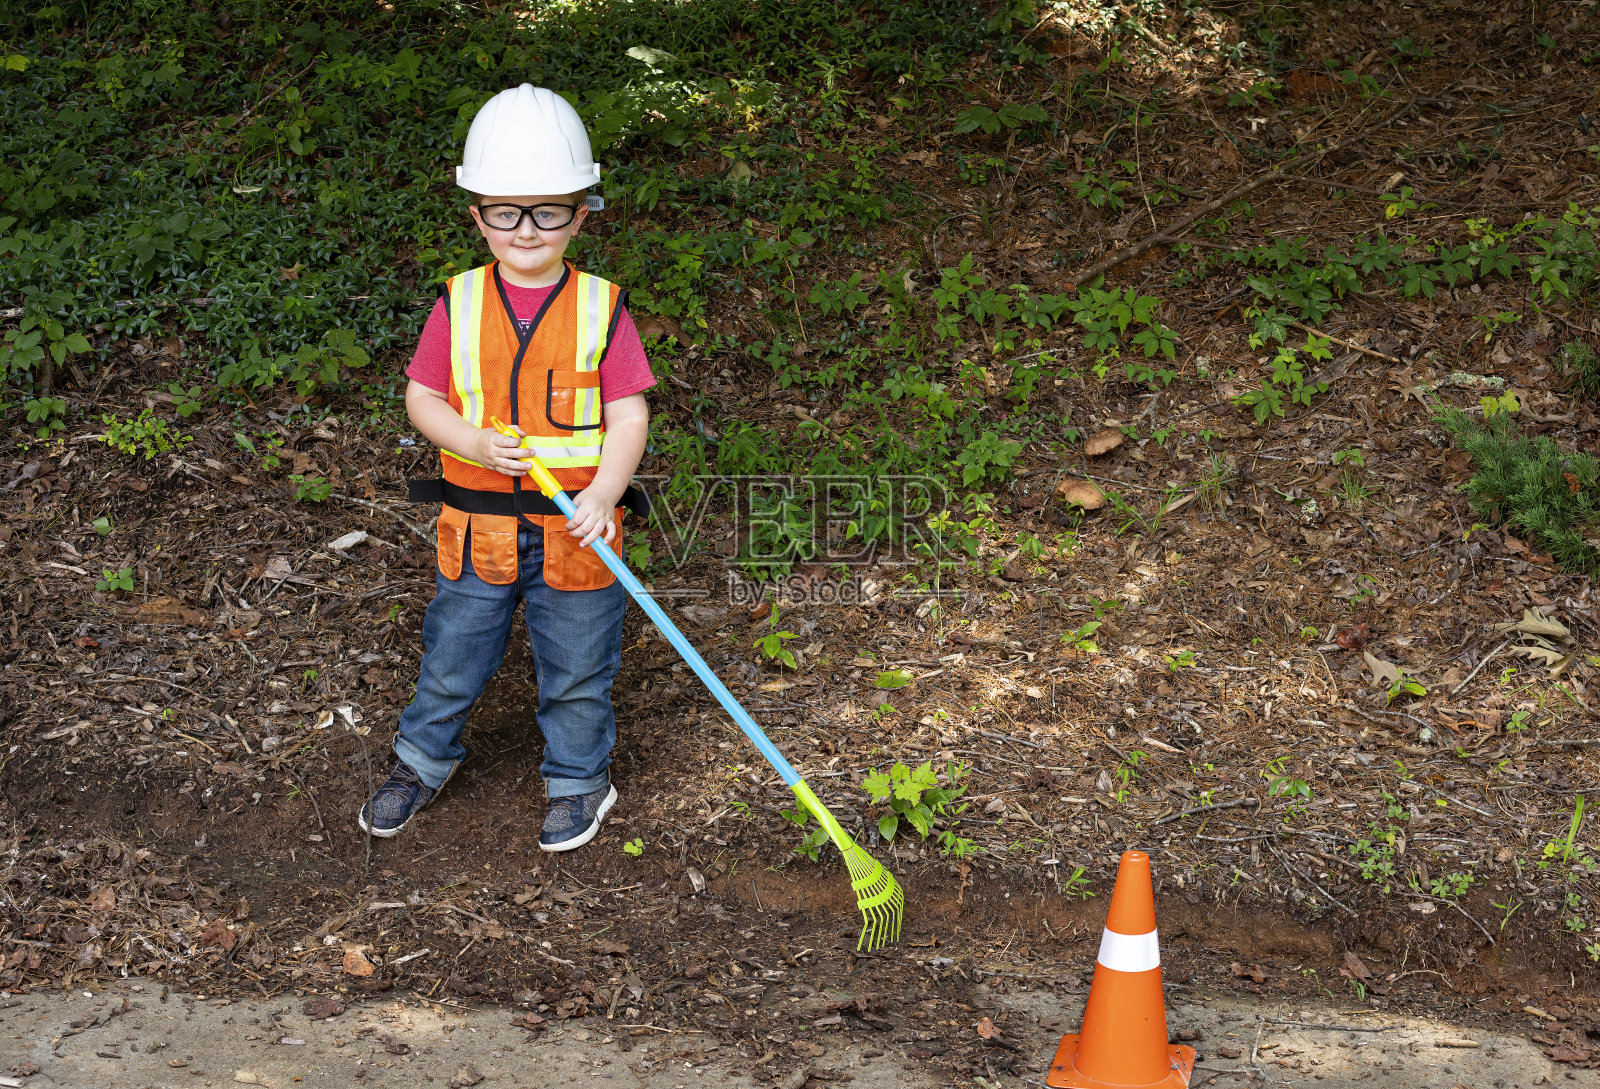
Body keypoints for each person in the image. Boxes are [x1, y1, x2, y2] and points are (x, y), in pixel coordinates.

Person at [358, 84, 655, 852]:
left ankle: (579, 780)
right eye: (506, 210)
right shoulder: (456, 303)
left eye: (548, 210)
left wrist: (605, 491)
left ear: (580, 213)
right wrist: (472, 440)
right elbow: (422, 398)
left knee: (579, 669)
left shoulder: (601, 308)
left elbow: (630, 415)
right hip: (479, 531)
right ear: (477, 214)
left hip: (577, 534)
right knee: (452, 658)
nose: (527, 229)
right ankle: (421, 762)